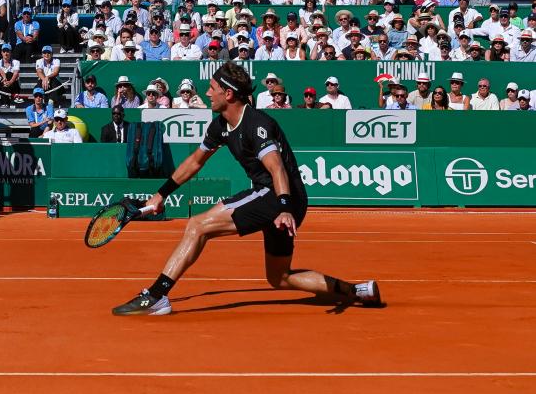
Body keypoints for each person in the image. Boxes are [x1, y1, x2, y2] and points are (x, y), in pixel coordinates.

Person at [111, 62, 381, 316]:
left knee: (197, 225)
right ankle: (357, 290)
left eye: (212, 88)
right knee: (280, 277)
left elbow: (277, 168)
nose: (207, 93)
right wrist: (162, 194)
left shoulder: (257, 125)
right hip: (280, 198)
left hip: (278, 196)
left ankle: (157, 296)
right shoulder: (221, 125)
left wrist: (284, 208)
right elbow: (195, 161)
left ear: (228, 94)